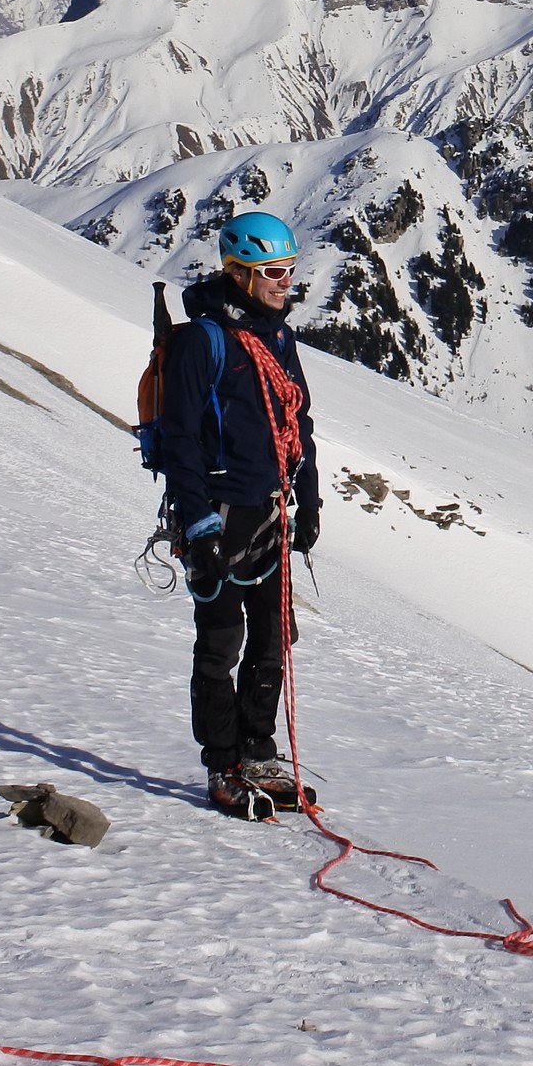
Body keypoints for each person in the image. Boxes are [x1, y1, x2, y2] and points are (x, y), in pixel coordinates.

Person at [157, 210, 323, 812]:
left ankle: (257, 749)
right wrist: (198, 526)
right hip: (222, 515)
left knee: (273, 640)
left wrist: (307, 499)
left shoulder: (278, 336)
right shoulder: (204, 341)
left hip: (270, 508)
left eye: (290, 270)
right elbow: (180, 439)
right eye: (274, 272)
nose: (287, 283)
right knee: (221, 642)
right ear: (240, 273)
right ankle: (222, 765)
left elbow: (296, 421)